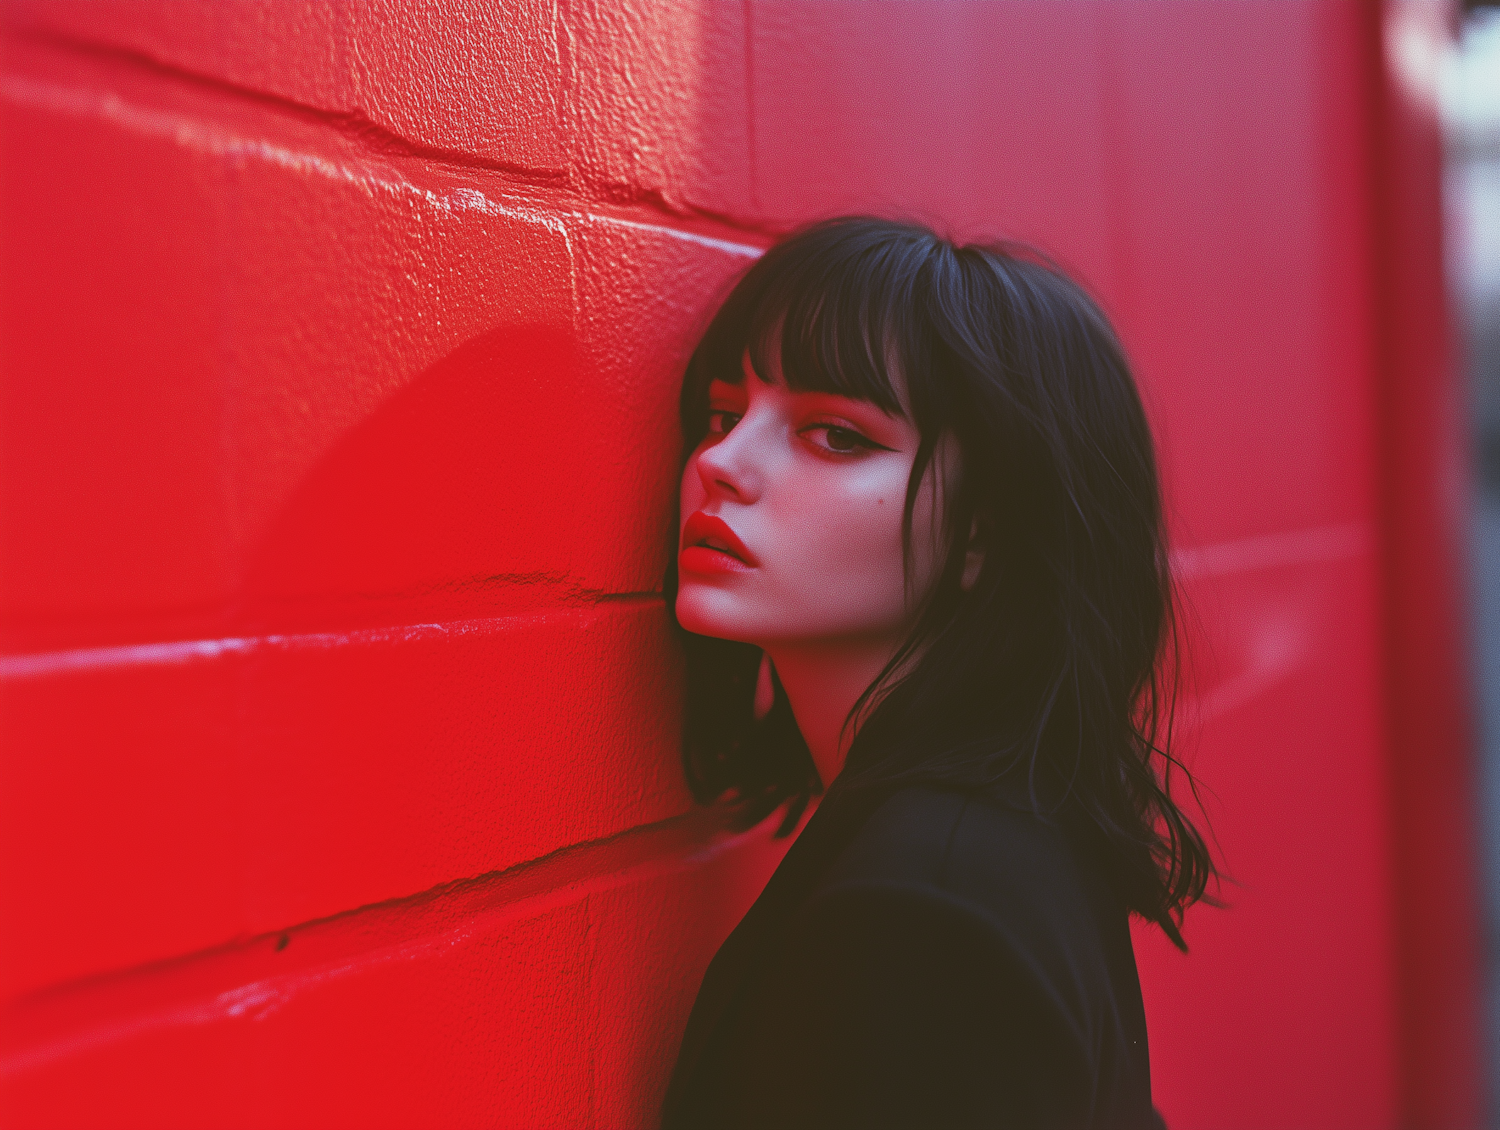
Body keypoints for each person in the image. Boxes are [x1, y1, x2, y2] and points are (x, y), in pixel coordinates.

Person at [658, 217, 1215, 1130]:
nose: (720, 464)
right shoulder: (997, 829)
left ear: (983, 536)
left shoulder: (924, 910)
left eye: (834, 435)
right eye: (725, 416)